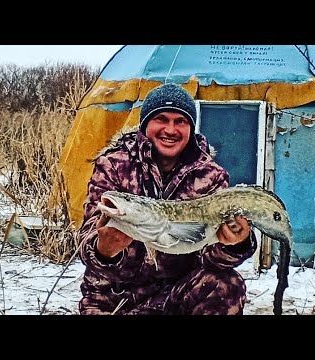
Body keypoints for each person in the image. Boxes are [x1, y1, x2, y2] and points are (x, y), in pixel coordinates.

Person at [78, 82, 257, 315]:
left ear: (190, 128)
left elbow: (211, 261)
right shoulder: (113, 165)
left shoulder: (211, 176)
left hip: (174, 294)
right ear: (145, 125)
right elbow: (86, 243)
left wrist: (234, 244)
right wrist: (105, 250)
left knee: (226, 285)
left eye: (180, 121)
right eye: (161, 119)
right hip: (113, 298)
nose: (170, 130)